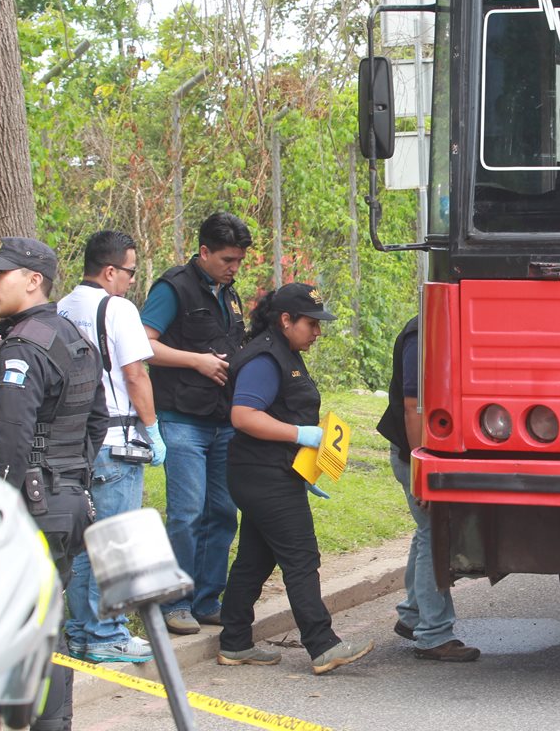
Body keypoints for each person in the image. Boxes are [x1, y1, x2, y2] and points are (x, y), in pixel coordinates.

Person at [0, 237, 107, 731]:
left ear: (34, 281)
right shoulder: (72, 336)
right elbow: (97, 421)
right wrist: (70, 473)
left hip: (30, 505)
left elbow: (9, 441)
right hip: (66, 500)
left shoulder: (24, 349)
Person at [217, 283, 374, 674]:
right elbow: (244, 416)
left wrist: (305, 461)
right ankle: (322, 645)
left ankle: (234, 641)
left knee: (255, 558)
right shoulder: (265, 359)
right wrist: (301, 435)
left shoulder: (283, 351)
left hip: (270, 471)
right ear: (285, 320)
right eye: (311, 324)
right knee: (301, 557)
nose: (317, 332)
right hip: (263, 474)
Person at [58, 230, 165, 664]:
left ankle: (81, 630)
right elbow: (135, 374)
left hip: (79, 442)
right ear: (109, 271)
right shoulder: (117, 308)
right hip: (117, 441)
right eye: (130, 272)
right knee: (116, 541)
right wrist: (153, 428)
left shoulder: (62, 307)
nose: (131, 281)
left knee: (85, 541)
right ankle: (107, 633)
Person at [141, 212, 251, 635]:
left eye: (239, 260)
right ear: (203, 251)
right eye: (226, 259)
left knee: (222, 512)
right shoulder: (173, 288)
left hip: (223, 419)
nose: (234, 268)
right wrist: (196, 362)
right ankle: (175, 602)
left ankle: (207, 599)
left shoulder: (230, 292)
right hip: (182, 419)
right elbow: (142, 345)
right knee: (187, 513)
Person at [377, 315, 480, 662]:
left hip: (423, 452)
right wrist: (424, 470)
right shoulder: (421, 334)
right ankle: (433, 634)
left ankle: (412, 614)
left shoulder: (440, 326)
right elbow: (412, 407)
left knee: (426, 532)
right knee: (435, 534)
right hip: (415, 454)